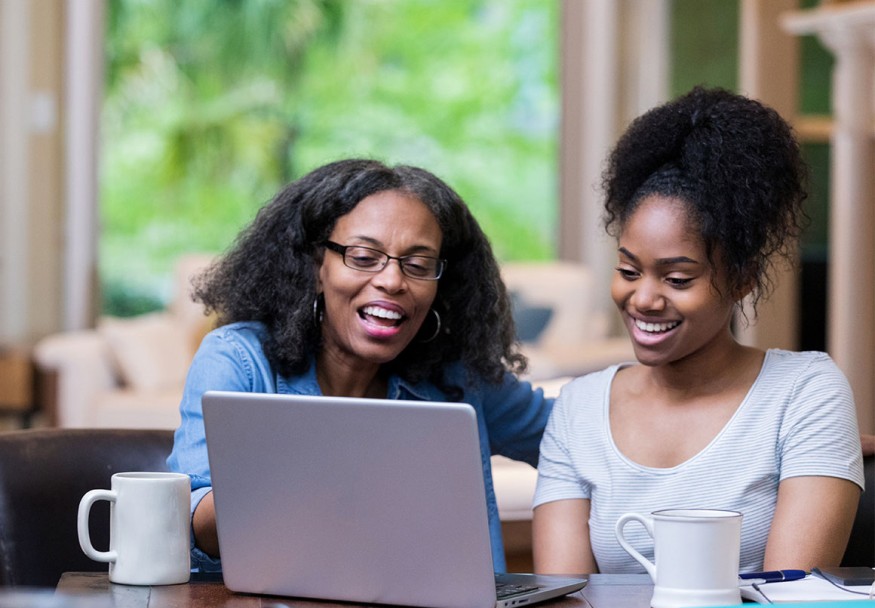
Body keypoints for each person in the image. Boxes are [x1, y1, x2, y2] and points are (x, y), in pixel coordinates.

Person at [532, 87, 865, 575]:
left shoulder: (805, 393)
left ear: (742, 279)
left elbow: (788, 604)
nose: (643, 298)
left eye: (677, 278)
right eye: (628, 271)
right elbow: (564, 606)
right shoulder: (578, 411)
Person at [167, 158, 552, 573]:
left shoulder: (459, 378)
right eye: (365, 256)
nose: (392, 281)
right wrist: (311, 472)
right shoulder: (238, 360)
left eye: (418, 264)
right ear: (317, 267)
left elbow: (572, 434)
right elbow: (188, 523)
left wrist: (629, 380)